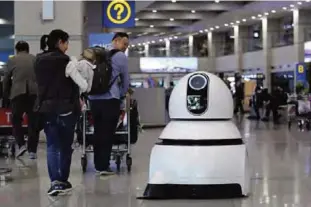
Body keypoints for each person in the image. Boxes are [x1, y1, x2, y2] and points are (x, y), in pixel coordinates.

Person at [35, 29, 86, 196]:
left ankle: (55, 181)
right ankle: (63, 180)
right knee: (65, 146)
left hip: (47, 108)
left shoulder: (39, 61)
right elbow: (77, 86)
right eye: (66, 42)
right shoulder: (67, 61)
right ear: (60, 42)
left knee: (51, 146)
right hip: (66, 109)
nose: (67, 46)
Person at [88, 32, 130, 175]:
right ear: (116, 41)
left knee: (98, 131)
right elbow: (125, 80)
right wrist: (123, 94)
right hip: (110, 99)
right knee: (107, 133)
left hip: (94, 99)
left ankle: (97, 164)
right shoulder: (120, 57)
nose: (125, 47)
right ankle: (103, 166)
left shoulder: (99, 56)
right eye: (124, 44)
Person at [3, 41, 40, 159]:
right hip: (34, 93)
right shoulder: (35, 59)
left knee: (16, 120)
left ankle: (21, 145)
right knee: (33, 123)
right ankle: (32, 151)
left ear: (17, 50)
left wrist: (6, 95)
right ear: (28, 49)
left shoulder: (12, 60)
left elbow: (6, 79)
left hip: (18, 93)